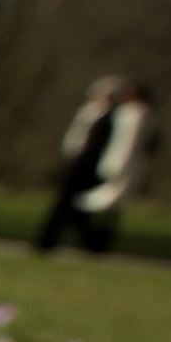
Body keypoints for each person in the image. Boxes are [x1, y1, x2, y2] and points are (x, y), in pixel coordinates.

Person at [33, 77, 153, 254]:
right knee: (77, 204)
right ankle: (89, 242)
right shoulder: (94, 112)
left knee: (85, 204)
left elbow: (125, 144)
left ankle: (76, 242)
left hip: (92, 165)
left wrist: (114, 167)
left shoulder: (126, 115)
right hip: (82, 162)